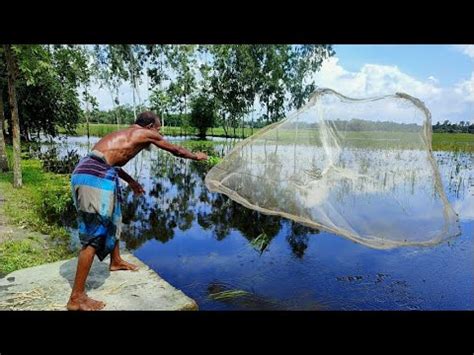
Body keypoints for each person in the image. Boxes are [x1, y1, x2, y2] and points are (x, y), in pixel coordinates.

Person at [67, 111, 208, 311]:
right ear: (150, 126)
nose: (159, 133)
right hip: (94, 176)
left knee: (114, 217)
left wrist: (131, 181)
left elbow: (111, 161)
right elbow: (175, 149)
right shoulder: (145, 133)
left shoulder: (128, 134)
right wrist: (196, 156)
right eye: (159, 129)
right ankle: (76, 298)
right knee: (94, 235)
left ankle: (115, 261)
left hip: (100, 171)